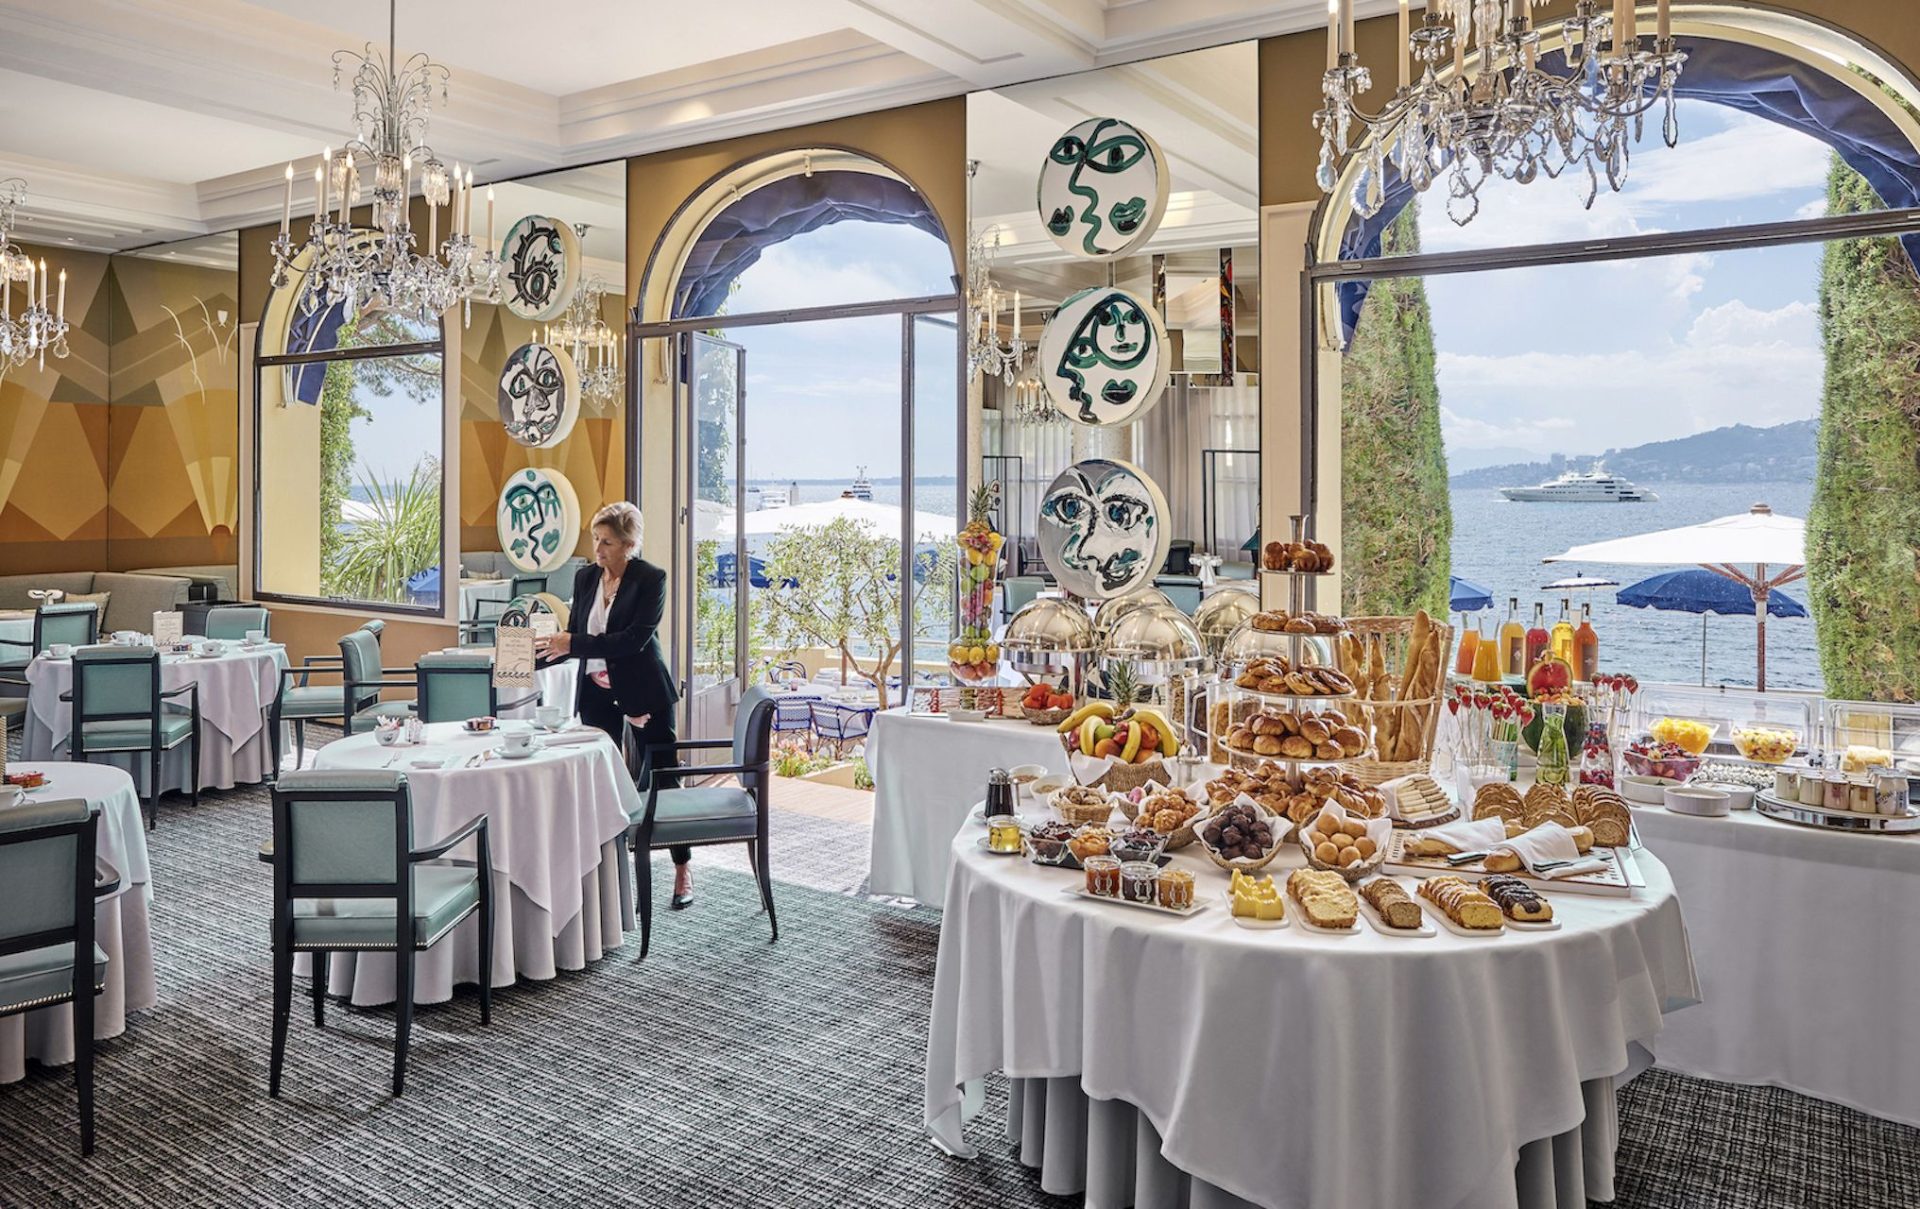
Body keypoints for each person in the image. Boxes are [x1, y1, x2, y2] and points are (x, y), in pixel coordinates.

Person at [534, 501, 693, 909]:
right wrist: (529, 655)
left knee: (665, 778)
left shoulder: (650, 579)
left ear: (629, 544)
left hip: (644, 689)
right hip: (596, 693)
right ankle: (608, 878)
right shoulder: (586, 577)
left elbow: (632, 641)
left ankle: (682, 868)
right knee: (600, 779)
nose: (598, 549)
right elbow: (574, 637)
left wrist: (572, 643)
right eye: (595, 539)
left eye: (606, 542)